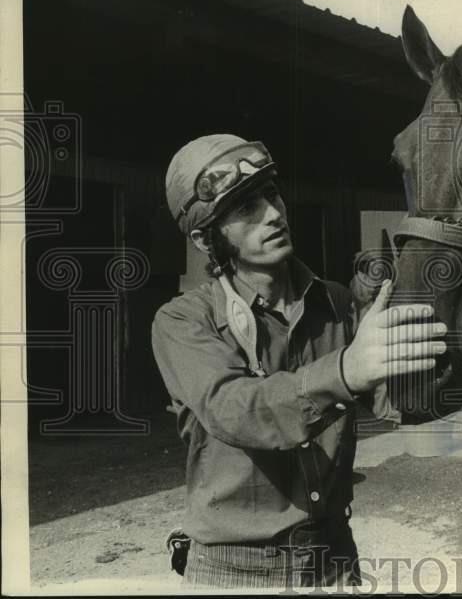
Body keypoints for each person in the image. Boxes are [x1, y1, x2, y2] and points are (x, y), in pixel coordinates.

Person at [153, 134, 445, 588]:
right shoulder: (184, 320)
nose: (272, 214)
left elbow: (403, 404)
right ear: (204, 237)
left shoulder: (337, 303)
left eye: (271, 195)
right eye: (246, 209)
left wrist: (455, 332)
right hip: (235, 573)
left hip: (334, 557)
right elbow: (234, 410)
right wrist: (345, 370)